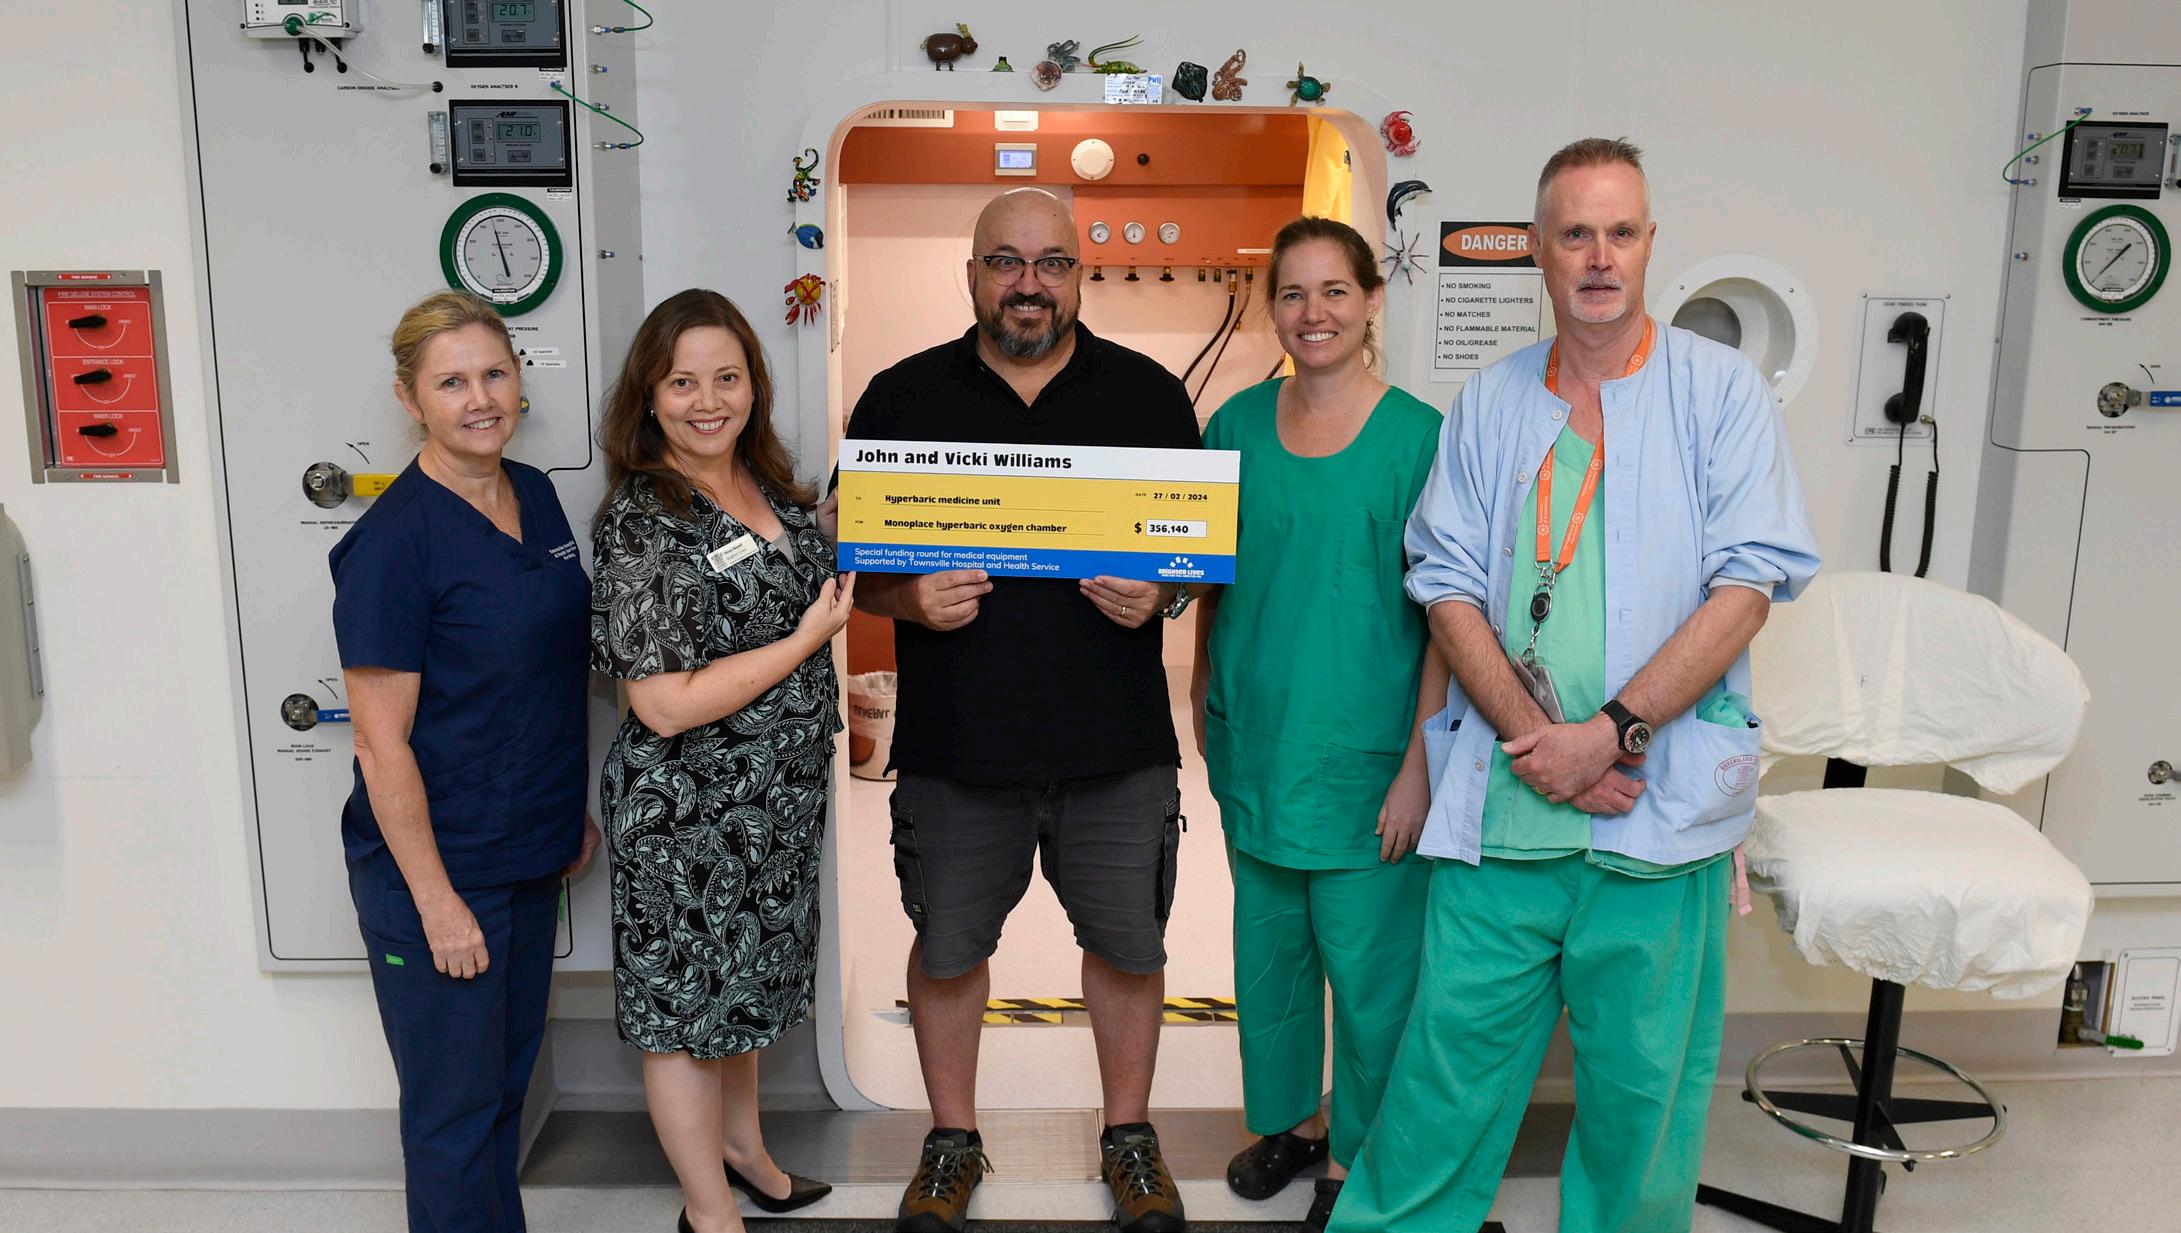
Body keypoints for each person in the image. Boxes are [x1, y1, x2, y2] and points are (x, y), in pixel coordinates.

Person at [1327, 139, 1821, 1233]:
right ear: (1539, 251)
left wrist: (1608, 735)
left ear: (1649, 244)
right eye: (1575, 234)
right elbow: (1444, 583)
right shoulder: (1491, 401)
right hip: (1509, 810)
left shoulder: (1720, 394)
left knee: (1642, 1106)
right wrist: (1541, 745)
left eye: (1621, 232)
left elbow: (1748, 586)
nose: (1600, 257)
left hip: (1657, 811)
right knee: (1441, 1085)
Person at [848, 187, 1202, 1233]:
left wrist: (1164, 594)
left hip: (1116, 745)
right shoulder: (901, 399)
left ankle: (1128, 1136)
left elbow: (1193, 556)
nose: (1028, 284)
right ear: (972, 275)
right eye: (1005, 261)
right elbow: (859, 571)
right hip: (959, 747)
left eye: (1051, 263)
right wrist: (907, 600)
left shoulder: (1148, 396)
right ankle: (950, 1140)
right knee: (948, 948)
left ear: (1079, 276)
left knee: (1130, 950)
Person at [1190, 217, 1446, 1233]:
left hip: (1371, 754)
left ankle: (1352, 1151)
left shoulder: (1421, 440)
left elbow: (1450, 617)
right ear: (1274, 310)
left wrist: (1419, 763)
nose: (1313, 312)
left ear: (1372, 300)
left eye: (1334, 290)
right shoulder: (1234, 428)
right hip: (1257, 736)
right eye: (1292, 293)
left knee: (1372, 975)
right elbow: (1209, 576)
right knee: (1271, 959)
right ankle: (1291, 1122)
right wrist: (1203, 689)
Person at [331, 289, 602, 1233]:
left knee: (502, 1095)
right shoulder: (392, 544)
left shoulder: (534, 493)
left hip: (527, 851)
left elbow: (541, 673)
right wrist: (438, 902)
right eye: (451, 382)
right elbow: (379, 742)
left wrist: (564, 809)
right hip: (438, 871)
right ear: (409, 398)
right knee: (451, 1117)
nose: (480, 398)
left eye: (494, 373)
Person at [590, 289, 852, 1233]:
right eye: (682, 382)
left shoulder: (765, 483)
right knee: (681, 1014)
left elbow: (780, 570)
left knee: (744, 987)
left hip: (773, 805)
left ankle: (747, 1157)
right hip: (685, 815)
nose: (708, 401)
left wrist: (846, 521)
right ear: (649, 396)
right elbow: (661, 702)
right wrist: (808, 638)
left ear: (753, 385)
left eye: (727, 377)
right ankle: (709, 1211)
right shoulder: (644, 519)